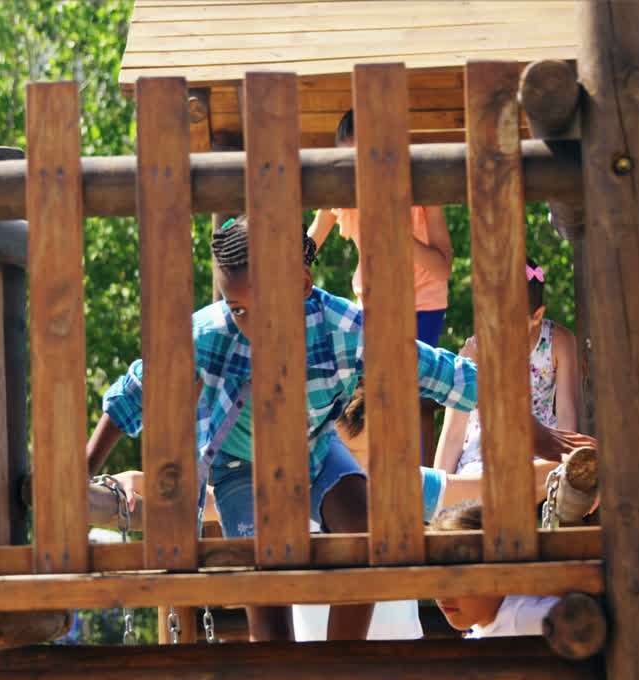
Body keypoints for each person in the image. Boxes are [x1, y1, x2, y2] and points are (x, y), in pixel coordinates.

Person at [87, 217, 590, 643]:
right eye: (237, 309)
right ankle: (281, 671)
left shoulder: (342, 327)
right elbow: (134, 393)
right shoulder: (210, 334)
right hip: (244, 469)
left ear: (303, 286)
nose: (249, 324)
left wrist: (538, 436)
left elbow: (445, 373)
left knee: (367, 531)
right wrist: (82, 473)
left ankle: (338, 661)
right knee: (267, 570)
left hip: (314, 452)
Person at [308, 109, 454, 464]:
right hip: (372, 306)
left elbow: (444, 267)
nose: (360, 173)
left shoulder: (421, 190)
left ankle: (410, 490)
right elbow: (310, 241)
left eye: (366, 160)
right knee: (364, 399)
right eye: (349, 161)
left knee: (404, 395)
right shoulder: (343, 194)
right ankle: (362, 483)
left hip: (422, 305)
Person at [432, 259, 582, 504]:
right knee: (475, 487)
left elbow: (566, 413)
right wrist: (439, 495)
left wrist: (567, 462)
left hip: (539, 447)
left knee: (547, 475)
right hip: (484, 451)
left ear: (537, 316)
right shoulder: (476, 351)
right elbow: (453, 434)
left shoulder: (559, 343)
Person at [430, 500, 560, 638]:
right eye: (434, 576)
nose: (441, 594)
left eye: (457, 576)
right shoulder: (486, 625)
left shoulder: (526, 619)